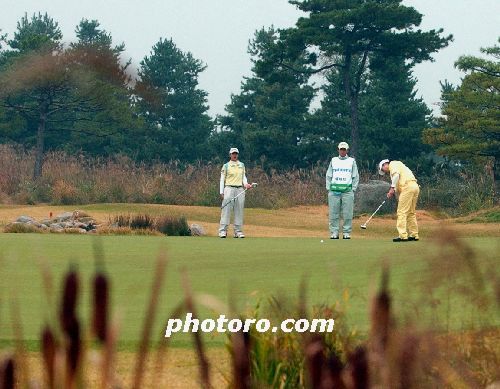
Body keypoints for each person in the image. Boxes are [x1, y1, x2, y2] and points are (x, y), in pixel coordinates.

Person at [378, 159, 420, 242]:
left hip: (407, 187)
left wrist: (392, 188)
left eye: (383, 169)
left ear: (384, 164)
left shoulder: (393, 164)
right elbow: (397, 186)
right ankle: (414, 235)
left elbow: (396, 176)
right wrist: (391, 192)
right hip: (415, 187)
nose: (384, 171)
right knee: (411, 212)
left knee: (401, 212)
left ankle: (402, 236)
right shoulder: (396, 168)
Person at [326, 142, 359, 239]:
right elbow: (329, 175)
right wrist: (329, 188)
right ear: (338, 150)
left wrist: (353, 189)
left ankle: (346, 233)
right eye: (341, 149)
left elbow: (355, 176)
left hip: (347, 191)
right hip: (334, 191)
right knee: (333, 212)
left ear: (347, 150)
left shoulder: (352, 161)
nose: (342, 151)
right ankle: (334, 232)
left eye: (344, 149)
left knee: (348, 213)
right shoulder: (333, 160)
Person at [219, 147, 253, 238]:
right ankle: (223, 231)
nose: (235, 155)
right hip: (229, 188)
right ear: (230, 155)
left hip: (240, 189)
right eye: (233, 154)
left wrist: (246, 184)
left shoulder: (241, 165)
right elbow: (222, 179)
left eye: (236, 154)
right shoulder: (226, 165)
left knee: (239, 210)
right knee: (226, 210)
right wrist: (221, 192)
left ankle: (238, 231)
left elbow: (243, 177)